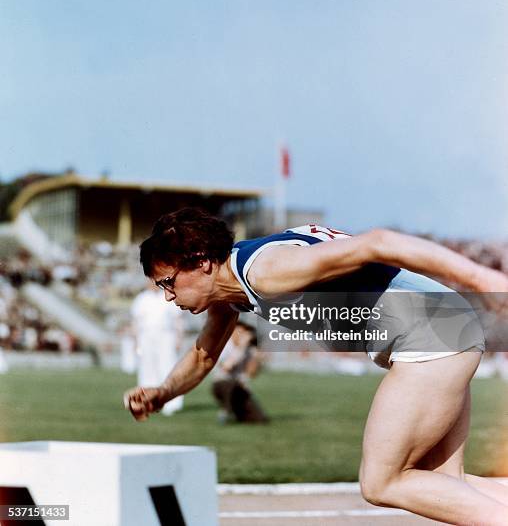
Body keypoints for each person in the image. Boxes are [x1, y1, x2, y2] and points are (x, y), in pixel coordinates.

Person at [124, 208, 508, 524]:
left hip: (431, 332)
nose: (168, 295)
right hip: (444, 327)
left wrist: (482, 278)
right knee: (443, 485)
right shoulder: (232, 289)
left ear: (202, 263)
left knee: (381, 483)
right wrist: (163, 393)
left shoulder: (267, 271)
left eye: (169, 282)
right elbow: (203, 354)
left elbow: (379, 242)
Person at [130, 282, 185, 415]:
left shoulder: (167, 296)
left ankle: (172, 403)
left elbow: (178, 319)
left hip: (165, 335)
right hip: (146, 336)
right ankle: (148, 400)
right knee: (147, 368)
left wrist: (179, 338)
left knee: (168, 366)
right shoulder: (141, 299)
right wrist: (136, 341)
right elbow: (135, 322)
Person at [211, 320, 268, 423]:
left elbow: (251, 374)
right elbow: (227, 367)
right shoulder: (224, 345)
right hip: (222, 383)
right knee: (230, 386)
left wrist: (258, 358)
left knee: (259, 419)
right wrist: (241, 347)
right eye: (240, 332)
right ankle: (226, 410)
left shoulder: (248, 349)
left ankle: (237, 413)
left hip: (239, 387)